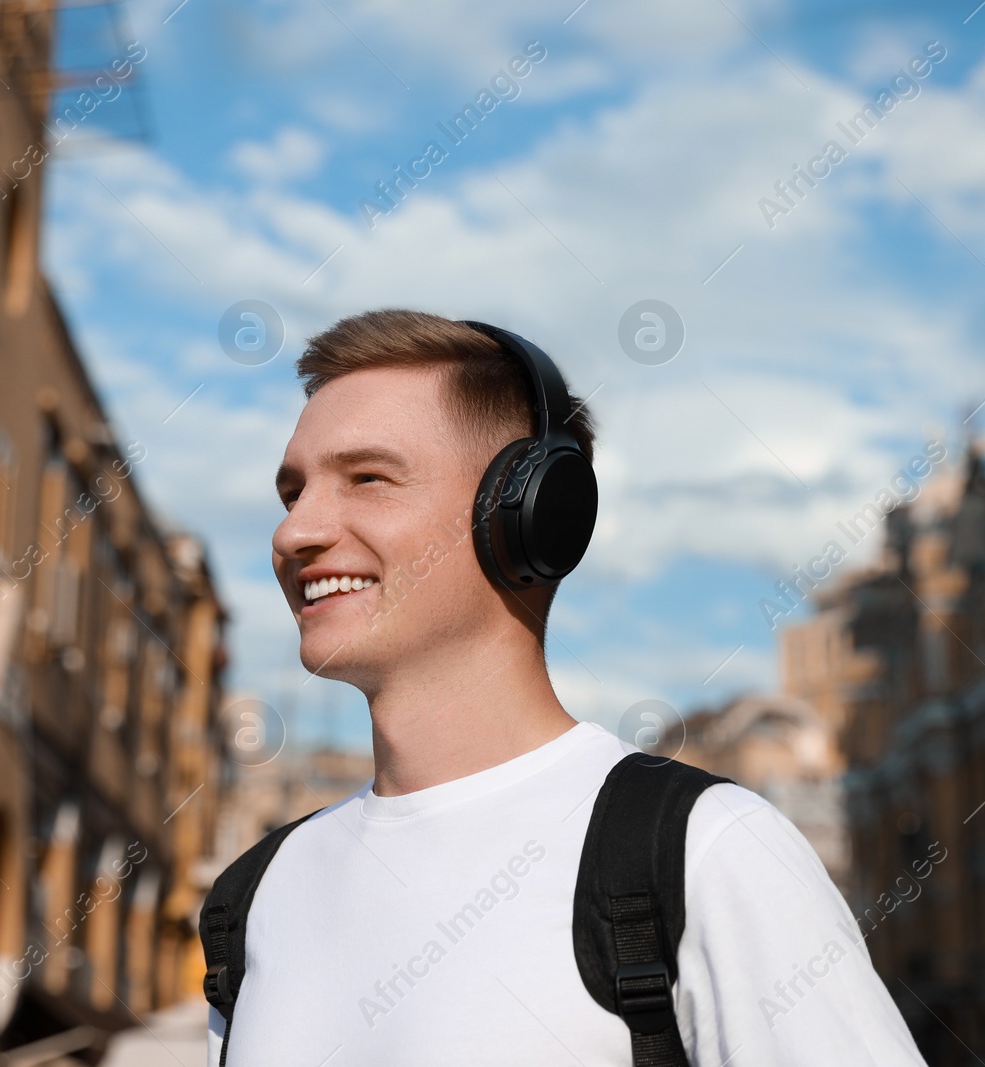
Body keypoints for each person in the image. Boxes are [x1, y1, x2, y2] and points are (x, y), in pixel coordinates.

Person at [205, 310, 927, 1065]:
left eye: (367, 479)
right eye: (294, 492)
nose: (295, 532)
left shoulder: (703, 852)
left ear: (529, 515)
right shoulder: (255, 896)